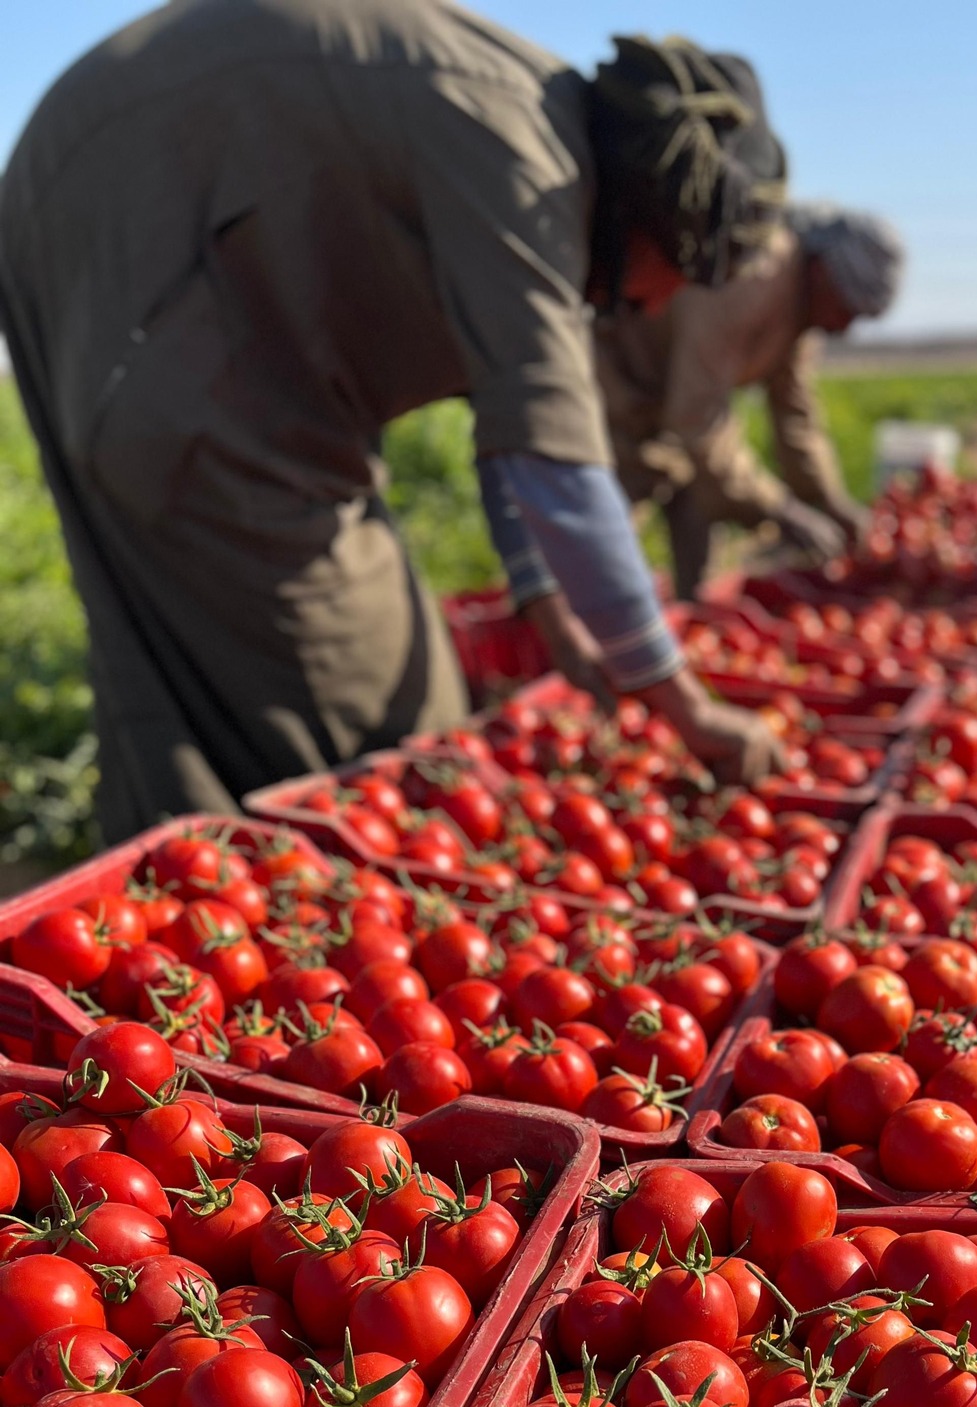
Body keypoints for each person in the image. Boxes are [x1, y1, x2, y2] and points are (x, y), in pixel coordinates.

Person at [0, 2, 789, 840]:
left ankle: (196, 872)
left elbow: (513, 419)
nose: (662, 305)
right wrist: (682, 701)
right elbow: (555, 462)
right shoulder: (531, 170)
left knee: (183, 640)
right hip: (139, 245)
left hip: (108, 211)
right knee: (374, 701)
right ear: (660, 217)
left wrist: (545, 598)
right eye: (684, 274)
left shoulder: (540, 139)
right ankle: (271, 866)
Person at [596, 201, 904, 598]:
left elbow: (795, 417)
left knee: (699, 504)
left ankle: (693, 611)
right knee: (603, 528)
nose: (844, 328)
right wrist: (780, 510)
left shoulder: (801, 309)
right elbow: (697, 420)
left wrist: (829, 502)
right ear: (821, 270)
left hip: (675, 398)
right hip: (621, 383)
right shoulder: (752, 279)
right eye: (847, 309)